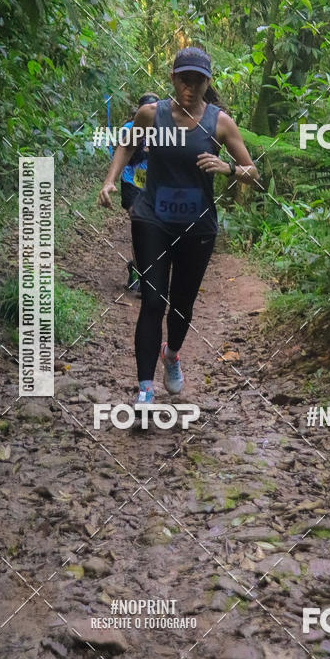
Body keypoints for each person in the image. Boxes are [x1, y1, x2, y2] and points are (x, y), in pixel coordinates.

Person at [98, 47, 260, 405]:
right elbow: (126, 145)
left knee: (182, 304)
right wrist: (110, 180)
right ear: (172, 79)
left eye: (197, 81)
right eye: (184, 79)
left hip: (197, 227)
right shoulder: (151, 115)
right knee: (153, 300)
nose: (190, 87)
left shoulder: (220, 123)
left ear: (207, 83)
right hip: (151, 218)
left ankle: (171, 354)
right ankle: (144, 390)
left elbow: (257, 176)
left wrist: (229, 169)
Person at [114, 92, 159, 290]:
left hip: (153, 184)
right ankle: (141, 276)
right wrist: (143, 146)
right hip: (131, 181)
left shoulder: (163, 130)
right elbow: (123, 155)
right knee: (139, 225)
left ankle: (141, 268)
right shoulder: (128, 129)